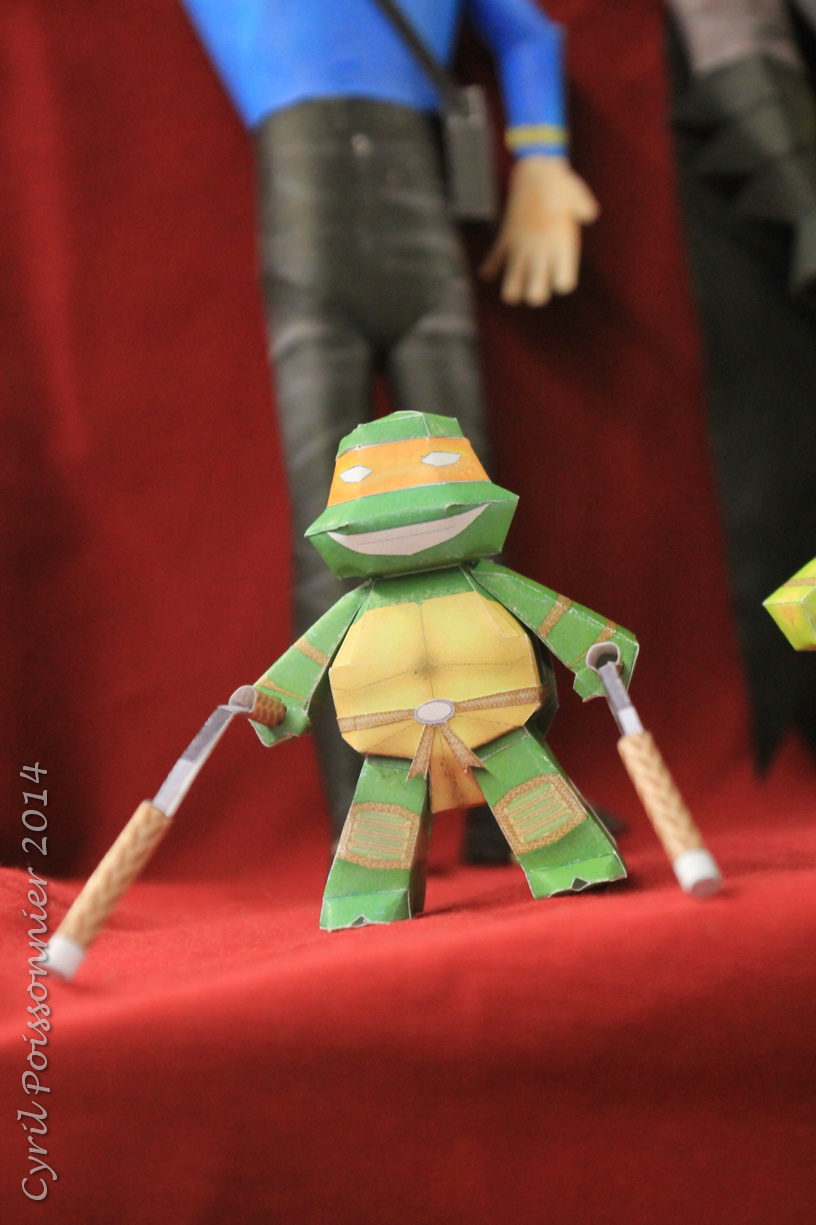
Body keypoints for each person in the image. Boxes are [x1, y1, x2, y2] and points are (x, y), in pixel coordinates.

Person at [179, 0, 599, 852]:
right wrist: (540, 156)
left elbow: (525, 32)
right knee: (327, 542)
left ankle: (512, 808)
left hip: (402, 228)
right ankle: (365, 830)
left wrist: (542, 158)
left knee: (471, 526)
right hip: (316, 238)